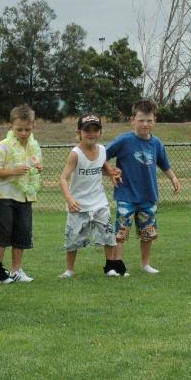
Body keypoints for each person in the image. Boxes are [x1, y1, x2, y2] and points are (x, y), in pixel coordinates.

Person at [105, 100, 181, 274]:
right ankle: (116, 266)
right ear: (133, 120)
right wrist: (109, 171)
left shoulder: (157, 143)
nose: (145, 124)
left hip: (148, 197)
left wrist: (173, 178)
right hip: (126, 196)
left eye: (149, 120)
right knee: (120, 234)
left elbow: (164, 164)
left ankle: (146, 264)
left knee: (148, 234)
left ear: (154, 121)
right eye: (141, 120)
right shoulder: (124, 140)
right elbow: (102, 154)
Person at [58, 113, 121, 278]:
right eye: (87, 130)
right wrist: (70, 200)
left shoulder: (102, 150)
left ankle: (111, 267)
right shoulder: (75, 154)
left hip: (99, 202)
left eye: (95, 130)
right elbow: (63, 179)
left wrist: (113, 174)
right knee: (73, 239)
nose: (91, 134)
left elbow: (103, 167)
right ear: (79, 132)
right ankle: (69, 270)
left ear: (101, 132)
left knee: (108, 235)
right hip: (79, 204)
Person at [0, 104, 43, 283]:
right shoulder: (4, 146)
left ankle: (16, 270)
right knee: (2, 234)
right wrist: (13, 171)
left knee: (22, 233)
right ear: (11, 126)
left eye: (27, 129)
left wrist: (38, 169)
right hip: (6, 196)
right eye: (19, 129)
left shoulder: (34, 146)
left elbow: (34, 169)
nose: (24, 133)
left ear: (33, 127)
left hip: (25, 196)